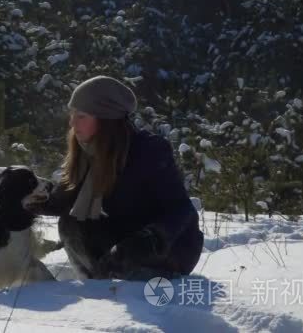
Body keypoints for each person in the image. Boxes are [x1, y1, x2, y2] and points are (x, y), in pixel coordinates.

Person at [30, 75, 204, 280]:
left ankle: (120, 282)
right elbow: (61, 200)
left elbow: (181, 210)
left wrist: (151, 238)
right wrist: (25, 194)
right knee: (71, 223)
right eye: (72, 114)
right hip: (124, 239)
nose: (72, 122)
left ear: (104, 119)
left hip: (170, 248)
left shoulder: (149, 150)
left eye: (81, 116)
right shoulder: (88, 154)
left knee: (128, 259)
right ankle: (100, 282)